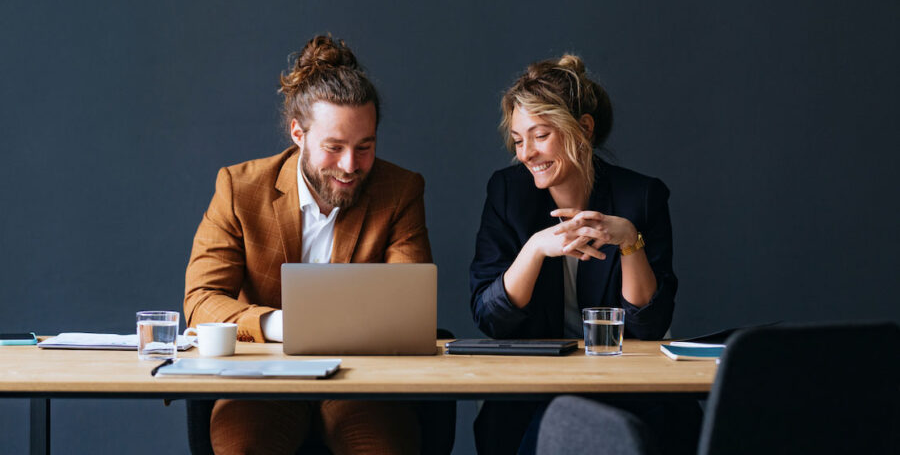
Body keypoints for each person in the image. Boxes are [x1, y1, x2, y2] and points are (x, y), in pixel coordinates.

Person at [184, 34, 432, 455]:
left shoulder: (400, 190)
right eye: (334, 148)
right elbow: (201, 299)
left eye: (365, 147)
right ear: (298, 133)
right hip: (261, 379)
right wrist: (279, 325)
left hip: (362, 381)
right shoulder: (239, 188)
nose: (351, 166)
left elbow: (408, 307)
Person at [469, 54, 697, 455]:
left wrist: (629, 239)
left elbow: (648, 327)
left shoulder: (641, 197)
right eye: (519, 141)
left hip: (623, 386)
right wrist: (536, 248)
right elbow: (492, 317)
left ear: (584, 129)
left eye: (540, 135)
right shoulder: (507, 193)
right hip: (534, 387)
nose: (526, 154)